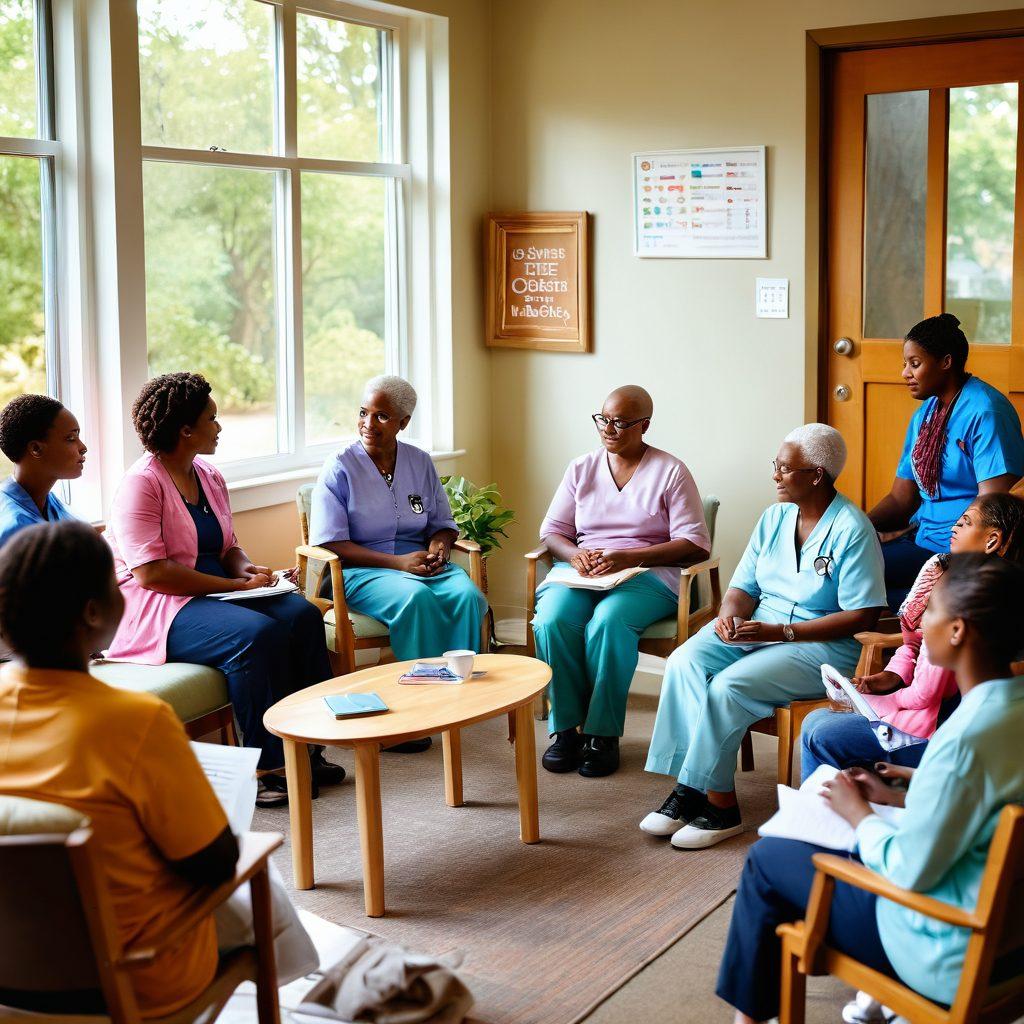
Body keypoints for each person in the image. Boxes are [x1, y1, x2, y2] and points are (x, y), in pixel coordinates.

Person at [716, 554, 1024, 1024]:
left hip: (946, 951)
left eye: (933, 610)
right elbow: (995, 798)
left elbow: (909, 870)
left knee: (769, 860)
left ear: (958, 631)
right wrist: (912, 789)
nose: (921, 619)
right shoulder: (1010, 711)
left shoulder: (962, 743)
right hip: (1012, 943)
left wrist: (858, 812)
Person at [0, 520, 240, 1015]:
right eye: (117, 583)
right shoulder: (134, 722)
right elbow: (214, 865)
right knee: (257, 887)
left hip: (9, 979)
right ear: (93, 613)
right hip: (133, 979)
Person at [641, 424, 887, 848]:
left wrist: (784, 631)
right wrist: (727, 617)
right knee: (685, 660)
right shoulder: (774, 517)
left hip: (820, 645)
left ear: (817, 474)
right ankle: (696, 788)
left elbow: (863, 613)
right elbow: (742, 588)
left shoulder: (852, 529)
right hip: (760, 627)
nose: (775, 474)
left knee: (729, 687)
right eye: (775, 464)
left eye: (785, 468)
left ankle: (718, 808)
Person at [104, 373, 341, 807]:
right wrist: (233, 585)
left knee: (302, 616)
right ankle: (266, 767)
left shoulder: (208, 474)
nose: (219, 426)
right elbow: (152, 573)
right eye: (212, 419)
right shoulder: (141, 483)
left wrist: (246, 569)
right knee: (255, 636)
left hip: (215, 589)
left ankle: (309, 747)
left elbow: (227, 544)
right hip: (158, 605)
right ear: (185, 430)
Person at [532, 385, 710, 778]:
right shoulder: (581, 468)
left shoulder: (671, 471)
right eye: (603, 420)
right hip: (585, 571)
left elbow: (696, 545)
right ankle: (565, 730)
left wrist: (627, 557)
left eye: (621, 423)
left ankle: (601, 734)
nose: (609, 429)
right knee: (551, 620)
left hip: (645, 574)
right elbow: (553, 532)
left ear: (644, 425)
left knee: (608, 623)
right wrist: (575, 555)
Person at [309, 374, 487, 753]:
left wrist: (440, 545)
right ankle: (413, 710)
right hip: (360, 570)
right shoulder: (339, 466)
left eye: (382, 416)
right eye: (363, 413)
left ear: (403, 422)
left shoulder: (419, 462)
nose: (368, 424)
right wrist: (396, 563)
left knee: (466, 595)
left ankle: (457, 697)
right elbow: (331, 542)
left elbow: (442, 523)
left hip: (419, 563)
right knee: (415, 600)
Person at [801, 493, 1024, 779]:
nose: (954, 527)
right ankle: (833, 809)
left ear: (992, 540)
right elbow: (912, 641)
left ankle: (823, 816)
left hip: (935, 725)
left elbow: (929, 689)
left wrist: (874, 704)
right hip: (923, 706)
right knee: (819, 722)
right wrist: (892, 676)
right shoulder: (941, 570)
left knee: (823, 731)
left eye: (965, 522)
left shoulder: (978, 598)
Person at [867, 313, 1024, 609]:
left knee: (868, 594)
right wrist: (854, 529)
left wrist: (948, 565)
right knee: (844, 567)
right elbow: (901, 499)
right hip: (919, 539)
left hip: (958, 555)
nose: (905, 373)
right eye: (905, 364)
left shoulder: (986, 412)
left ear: (946, 362)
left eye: (915, 364)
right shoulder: (925, 414)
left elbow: (993, 509)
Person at [0, 394, 85, 548]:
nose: (83, 448)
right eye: (71, 438)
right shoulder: (15, 530)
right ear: (36, 449)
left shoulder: (48, 501)